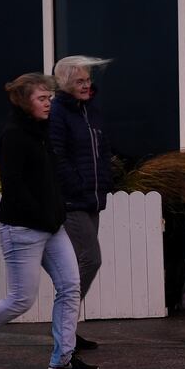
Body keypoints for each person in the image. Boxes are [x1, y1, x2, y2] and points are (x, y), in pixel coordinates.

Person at [0, 73, 99, 369]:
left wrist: (57, 212)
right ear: (25, 102)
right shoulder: (14, 136)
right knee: (21, 299)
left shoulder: (42, 131)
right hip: (22, 229)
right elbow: (15, 188)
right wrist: (45, 216)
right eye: (42, 98)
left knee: (70, 287)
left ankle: (63, 358)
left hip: (52, 226)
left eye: (49, 97)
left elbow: (49, 180)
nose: (48, 102)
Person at [50, 56, 113, 350]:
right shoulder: (59, 113)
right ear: (64, 83)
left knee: (80, 264)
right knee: (91, 259)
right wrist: (76, 186)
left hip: (92, 198)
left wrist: (105, 182)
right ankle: (63, 331)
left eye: (88, 80)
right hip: (72, 200)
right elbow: (57, 156)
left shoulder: (92, 111)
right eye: (80, 81)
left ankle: (67, 333)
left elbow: (101, 152)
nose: (87, 85)